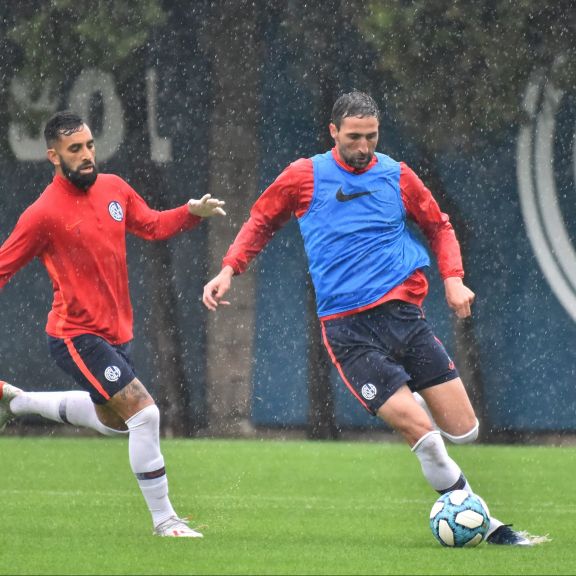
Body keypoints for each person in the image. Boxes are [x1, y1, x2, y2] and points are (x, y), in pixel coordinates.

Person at [202, 91, 548, 546]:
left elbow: (438, 225)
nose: (363, 146)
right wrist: (230, 269)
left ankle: (417, 409)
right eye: (354, 137)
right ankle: (489, 525)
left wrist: (453, 278)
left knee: (464, 430)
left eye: (371, 136)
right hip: (348, 331)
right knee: (419, 431)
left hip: (404, 319)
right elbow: (261, 220)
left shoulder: (397, 176)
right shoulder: (304, 176)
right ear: (333, 133)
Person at [0, 111, 226, 538]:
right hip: (73, 335)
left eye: (88, 146)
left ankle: (17, 403)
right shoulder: (43, 213)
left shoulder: (114, 188)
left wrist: (191, 212)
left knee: (115, 422)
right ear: (53, 156)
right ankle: (166, 521)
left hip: (116, 334)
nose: (87, 156)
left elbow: (153, 226)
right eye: (75, 150)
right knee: (145, 413)